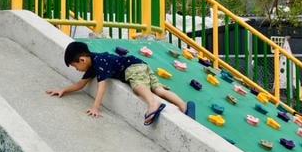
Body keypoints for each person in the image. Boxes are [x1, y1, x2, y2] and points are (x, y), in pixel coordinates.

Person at [46, 40, 192, 126]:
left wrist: (95, 107)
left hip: (132, 68)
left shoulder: (99, 62)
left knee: (138, 87)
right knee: (158, 89)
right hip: (141, 65)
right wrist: (63, 90)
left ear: (82, 60)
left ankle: (153, 104)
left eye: (75, 66)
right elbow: (81, 84)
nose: (77, 69)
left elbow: (102, 86)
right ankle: (184, 106)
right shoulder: (93, 63)